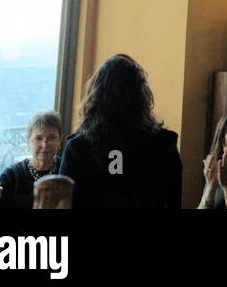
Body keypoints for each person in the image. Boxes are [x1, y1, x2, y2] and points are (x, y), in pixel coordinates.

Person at [58, 54, 183, 208]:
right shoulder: (164, 143)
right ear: (141, 96)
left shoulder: (78, 148)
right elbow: (173, 202)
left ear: (95, 96)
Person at [0, 111, 63, 210]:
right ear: (28, 142)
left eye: (52, 137)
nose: (45, 144)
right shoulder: (12, 176)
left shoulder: (68, 170)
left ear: (60, 140)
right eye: (39, 138)